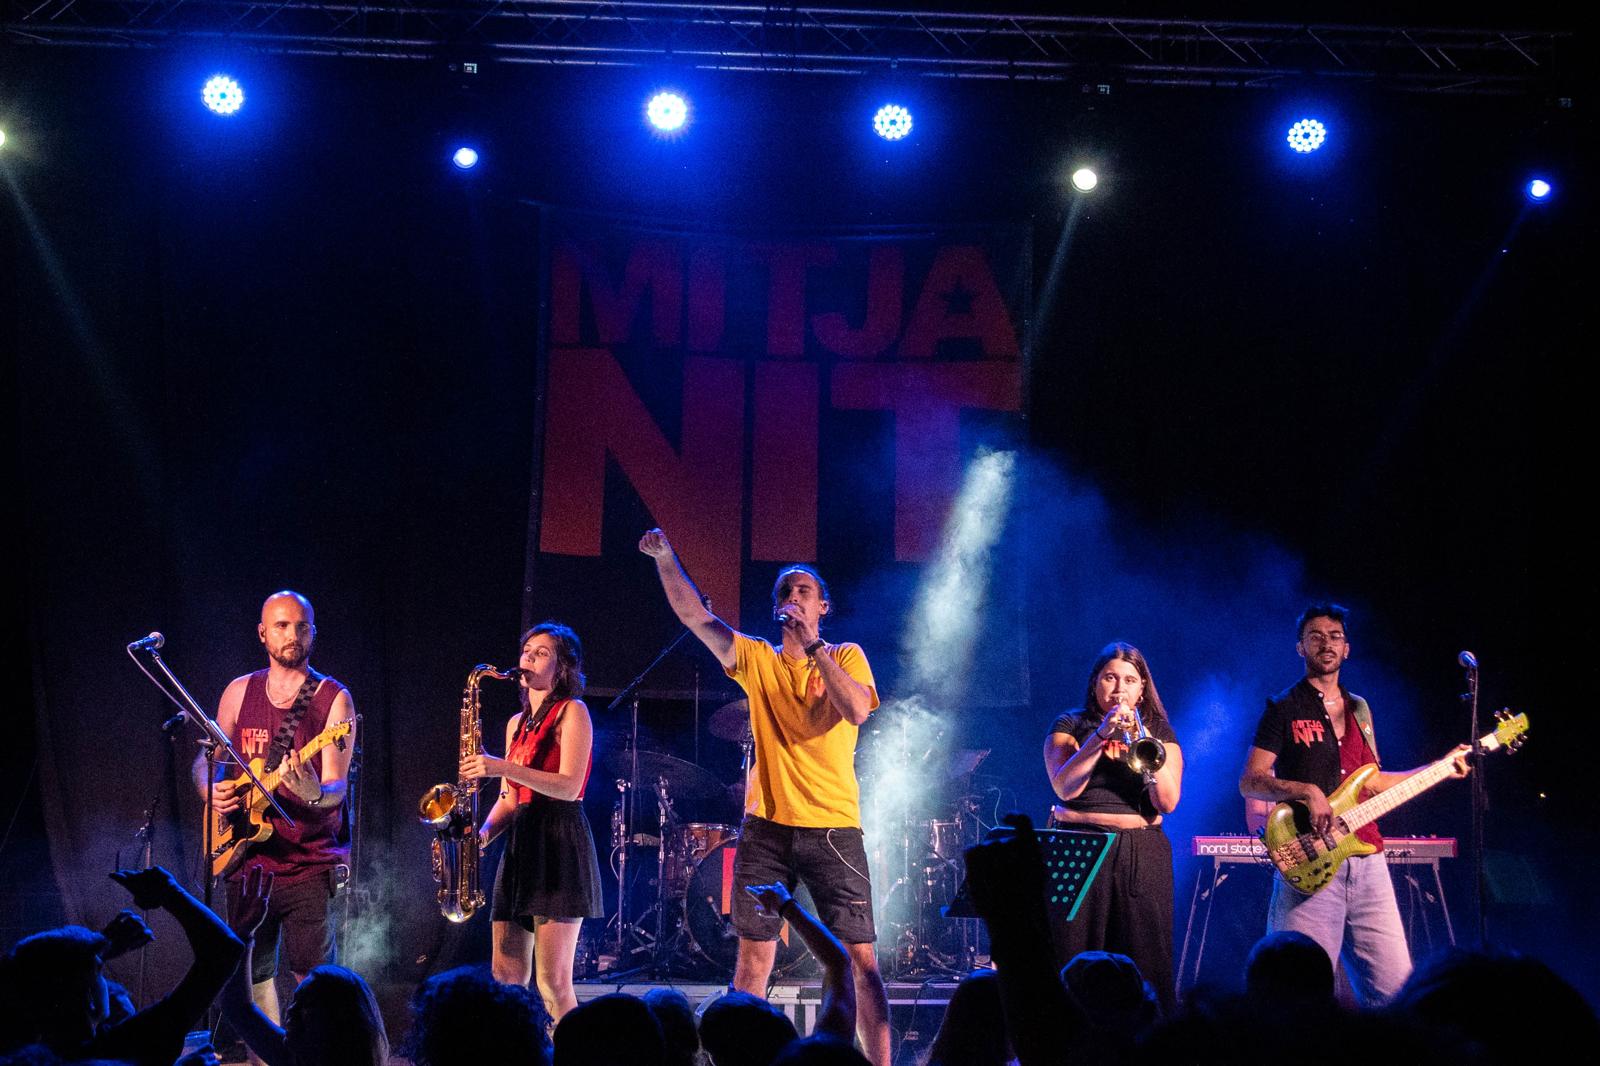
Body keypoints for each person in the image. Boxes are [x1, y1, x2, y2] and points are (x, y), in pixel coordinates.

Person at [639, 529, 890, 1066]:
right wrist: (666, 559)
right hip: (767, 830)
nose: (793, 598)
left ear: (823, 605)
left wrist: (816, 647)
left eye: (803, 591)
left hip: (834, 828)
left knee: (861, 960)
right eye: (785, 592)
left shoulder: (847, 654)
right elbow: (696, 619)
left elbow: (857, 712)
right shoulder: (757, 658)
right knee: (753, 958)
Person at [1238, 603, 1469, 1006]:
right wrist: (1307, 791)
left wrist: (1440, 768)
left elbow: (1374, 782)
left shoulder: (1360, 708)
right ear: (1300, 648)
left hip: (1369, 863)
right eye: (1315, 636)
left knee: (1396, 994)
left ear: (1347, 649)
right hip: (1312, 859)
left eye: (1334, 636)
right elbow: (1251, 781)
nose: (1325, 643)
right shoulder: (1283, 707)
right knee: (1295, 997)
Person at [192, 590, 356, 1025]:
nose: (292, 634)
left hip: (309, 862)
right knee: (254, 977)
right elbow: (205, 761)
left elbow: (337, 785)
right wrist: (211, 789)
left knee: (314, 981)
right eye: (282, 625)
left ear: (314, 632)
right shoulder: (238, 692)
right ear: (263, 633)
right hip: (247, 856)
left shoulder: (333, 699)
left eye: (302, 625)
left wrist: (314, 793)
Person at [460, 622, 603, 1022]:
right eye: (526, 650)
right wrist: (482, 836)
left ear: (562, 667)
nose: (528, 658)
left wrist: (502, 765)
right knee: (506, 976)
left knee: (553, 983)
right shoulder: (515, 724)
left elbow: (570, 785)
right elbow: (509, 797)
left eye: (541, 652)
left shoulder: (573, 712)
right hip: (521, 841)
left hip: (558, 839)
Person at [1042, 642, 1184, 1012]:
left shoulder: (1158, 732)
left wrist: (1140, 742)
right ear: (1095, 684)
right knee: (1071, 958)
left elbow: (1167, 802)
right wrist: (1100, 736)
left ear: (1142, 689)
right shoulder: (1069, 725)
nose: (1119, 688)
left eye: (1129, 680)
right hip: (1077, 849)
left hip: (1141, 852)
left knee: (1146, 960)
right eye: (1110, 677)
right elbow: (1064, 786)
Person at [0, 866, 243, 1066]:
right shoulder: (127, 1046)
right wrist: (169, 892)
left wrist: (99, 950)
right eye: (99, 971)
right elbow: (222, 952)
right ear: (91, 1001)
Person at [220, 864, 389, 1066]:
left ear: (337, 1025)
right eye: (295, 1002)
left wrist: (244, 934)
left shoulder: (295, 1060)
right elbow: (239, 1009)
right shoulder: (300, 1057)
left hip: (308, 866)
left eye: (305, 1008)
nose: (289, 1011)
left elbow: (238, 1009)